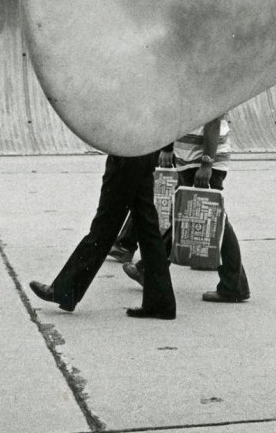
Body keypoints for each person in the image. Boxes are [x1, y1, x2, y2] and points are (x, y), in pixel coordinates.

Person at [29, 149, 177, 319]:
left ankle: (65, 291)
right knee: (146, 227)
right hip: (142, 151)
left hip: (128, 154)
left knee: (104, 226)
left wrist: (167, 148)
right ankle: (161, 302)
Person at [124, 114, 250, 304]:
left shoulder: (209, 86)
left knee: (216, 220)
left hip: (201, 161)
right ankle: (148, 270)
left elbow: (213, 120)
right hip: (190, 159)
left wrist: (206, 164)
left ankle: (234, 285)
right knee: (184, 216)